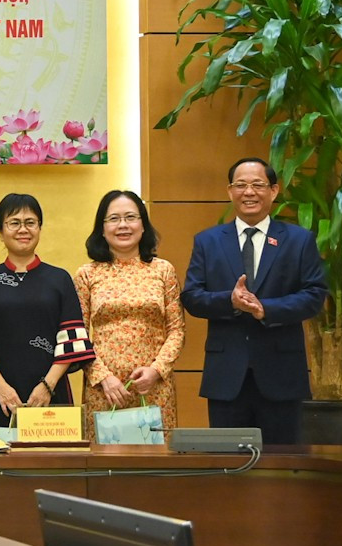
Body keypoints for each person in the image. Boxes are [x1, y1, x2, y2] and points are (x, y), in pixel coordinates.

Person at [181, 158, 328, 444]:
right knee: (230, 469)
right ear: (229, 191)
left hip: (282, 376)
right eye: (241, 185)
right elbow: (192, 296)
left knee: (284, 469)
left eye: (258, 185)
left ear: (273, 191)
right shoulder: (207, 241)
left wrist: (267, 310)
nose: (249, 192)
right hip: (226, 378)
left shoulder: (299, 240)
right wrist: (230, 301)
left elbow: (314, 296)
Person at [0, 194, 94, 440]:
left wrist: (47, 386)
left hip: (51, 392)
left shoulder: (59, 279)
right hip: (0, 395)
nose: (23, 229)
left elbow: (72, 339)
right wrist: (0, 387)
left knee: (53, 470)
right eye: (14, 222)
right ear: (0, 230)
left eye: (31, 222)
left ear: (40, 228)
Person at [77, 190, 185, 438]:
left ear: (143, 225)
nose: (123, 225)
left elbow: (177, 330)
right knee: (105, 466)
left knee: (154, 464)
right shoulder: (86, 274)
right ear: (102, 229)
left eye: (130, 217)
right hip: (104, 390)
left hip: (155, 387)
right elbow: (78, 335)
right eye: (113, 219)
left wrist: (156, 370)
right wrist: (103, 377)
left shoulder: (163, 270)